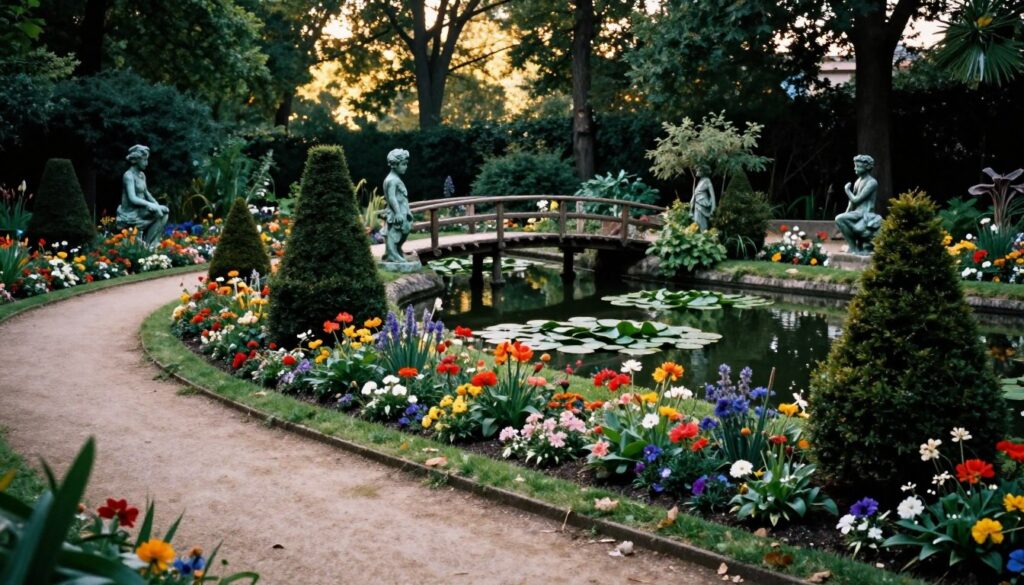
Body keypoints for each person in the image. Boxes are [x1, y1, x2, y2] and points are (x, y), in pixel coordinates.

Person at [116, 145, 169, 246]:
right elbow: (133, 198)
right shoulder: (128, 175)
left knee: (165, 211)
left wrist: (156, 204)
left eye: (147, 160)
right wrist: (150, 205)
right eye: (144, 160)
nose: (147, 163)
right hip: (131, 212)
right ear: (136, 160)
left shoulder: (142, 175)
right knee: (159, 213)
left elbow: (146, 193)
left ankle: (151, 244)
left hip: (141, 209)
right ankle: (148, 245)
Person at [835, 154, 882, 254]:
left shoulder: (872, 182)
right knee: (840, 219)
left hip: (865, 213)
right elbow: (851, 203)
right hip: (857, 212)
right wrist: (846, 213)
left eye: (858, 166)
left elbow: (856, 200)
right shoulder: (857, 181)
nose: (855, 168)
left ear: (867, 167)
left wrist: (847, 190)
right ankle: (854, 248)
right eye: (855, 166)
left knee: (840, 218)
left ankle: (855, 248)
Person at [382, 149, 413, 263]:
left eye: (406, 164)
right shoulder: (392, 180)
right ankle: (392, 254)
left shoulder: (395, 179)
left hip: (403, 210)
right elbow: (391, 197)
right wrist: (398, 212)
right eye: (403, 164)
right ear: (395, 165)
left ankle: (397, 250)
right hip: (397, 211)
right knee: (394, 232)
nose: (406, 167)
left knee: (405, 230)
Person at [691, 165, 716, 230]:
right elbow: (696, 193)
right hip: (697, 205)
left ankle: (704, 237)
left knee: (702, 224)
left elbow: (712, 196)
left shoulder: (707, 180)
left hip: (703, 205)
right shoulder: (700, 180)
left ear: (703, 172)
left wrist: (713, 208)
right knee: (696, 223)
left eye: (699, 170)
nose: (697, 172)